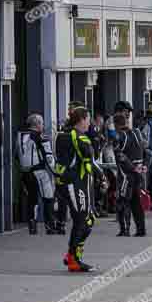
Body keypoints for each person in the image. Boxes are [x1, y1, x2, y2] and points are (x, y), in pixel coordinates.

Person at [54, 107, 97, 272]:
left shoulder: (62, 134)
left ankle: (73, 255)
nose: (89, 123)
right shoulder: (78, 137)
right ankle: (73, 257)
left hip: (68, 182)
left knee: (86, 218)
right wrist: (102, 177)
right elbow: (89, 161)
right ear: (81, 119)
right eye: (88, 119)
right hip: (75, 183)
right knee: (83, 219)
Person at [17, 114, 57, 235]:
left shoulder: (19, 136)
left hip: (25, 172)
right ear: (37, 124)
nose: (43, 126)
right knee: (48, 198)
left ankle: (32, 226)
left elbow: (16, 156)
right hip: (39, 171)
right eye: (42, 123)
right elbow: (49, 157)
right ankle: (50, 226)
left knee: (32, 199)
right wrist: (57, 173)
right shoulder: (40, 137)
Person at [53, 101, 86, 235]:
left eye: (71, 110)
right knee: (62, 197)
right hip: (63, 167)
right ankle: (61, 223)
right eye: (69, 109)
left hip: (77, 169)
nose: (69, 112)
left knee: (76, 198)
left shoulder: (81, 127)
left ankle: (80, 222)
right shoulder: (65, 127)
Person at [113, 113, 147, 237]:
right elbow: (145, 150)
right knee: (136, 202)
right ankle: (141, 229)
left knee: (122, 201)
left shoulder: (119, 136)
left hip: (126, 174)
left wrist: (132, 168)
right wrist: (143, 165)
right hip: (138, 173)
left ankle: (125, 229)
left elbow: (120, 157)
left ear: (116, 124)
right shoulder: (137, 133)